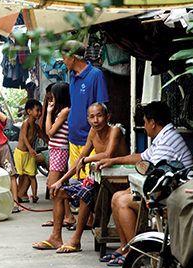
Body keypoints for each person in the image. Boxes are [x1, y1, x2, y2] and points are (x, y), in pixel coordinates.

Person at [96, 101, 193, 266]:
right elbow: (142, 157)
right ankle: (125, 247)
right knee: (116, 197)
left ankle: (134, 252)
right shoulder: (162, 137)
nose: (145, 126)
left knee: (122, 201)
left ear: (153, 122)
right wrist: (112, 161)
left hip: (173, 197)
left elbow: (152, 174)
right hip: (165, 191)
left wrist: (130, 190)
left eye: (145, 122)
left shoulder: (167, 141)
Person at [33, 102, 128, 253]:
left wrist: (86, 160)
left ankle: (76, 240)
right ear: (88, 119)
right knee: (58, 192)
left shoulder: (115, 130)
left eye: (99, 116)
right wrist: (61, 180)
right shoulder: (93, 132)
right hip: (99, 182)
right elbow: (80, 158)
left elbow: (108, 154)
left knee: (85, 191)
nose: (96, 120)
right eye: (92, 117)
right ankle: (55, 238)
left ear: (107, 117)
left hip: (119, 182)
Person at [61, 40, 109, 180]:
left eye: (64, 58)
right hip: (73, 137)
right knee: (77, 180)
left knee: (90, 181)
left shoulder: (96, 75)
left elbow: (102, 108)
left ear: (72, 58)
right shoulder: (72, 76)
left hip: (90, 139)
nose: (64, 62)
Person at [43, 81, 71, 219]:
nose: (51, 99)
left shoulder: (65, 111)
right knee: (58, 187)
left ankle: (60, 219)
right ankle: (67, 216)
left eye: (53, 96)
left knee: (53, 187)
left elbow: (50, 132)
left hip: (59, 151)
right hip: (56, 150)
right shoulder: (61, 112)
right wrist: (49, 112)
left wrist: (49, 113)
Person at [13, 99, 43, 206]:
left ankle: (34, 195)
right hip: (20, 153)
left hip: (29, 154)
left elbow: (43, 136)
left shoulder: (36, 127)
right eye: (37, 110)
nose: (39, 113)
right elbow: (24, 137)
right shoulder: (26, 123)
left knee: (32, 175)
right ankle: (15, 196)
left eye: (41, 111)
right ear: (29, 111)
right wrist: (30, 148)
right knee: (17, 175)